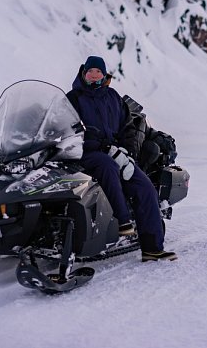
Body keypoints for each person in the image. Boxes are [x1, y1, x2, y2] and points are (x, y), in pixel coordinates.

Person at [67, 56, 177, 262]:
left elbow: (128, 128)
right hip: (85, 153)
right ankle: (123, 221)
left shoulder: (113, 97)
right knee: (107, 167)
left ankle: (153, 248)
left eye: (97, 72)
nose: (93, 75)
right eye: (90, 72)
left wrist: (126, 153)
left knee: (144, 186)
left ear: (103, 75)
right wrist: (103, 148)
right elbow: (66, 131)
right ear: (84, 74)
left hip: (116, 153)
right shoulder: (73, 98)